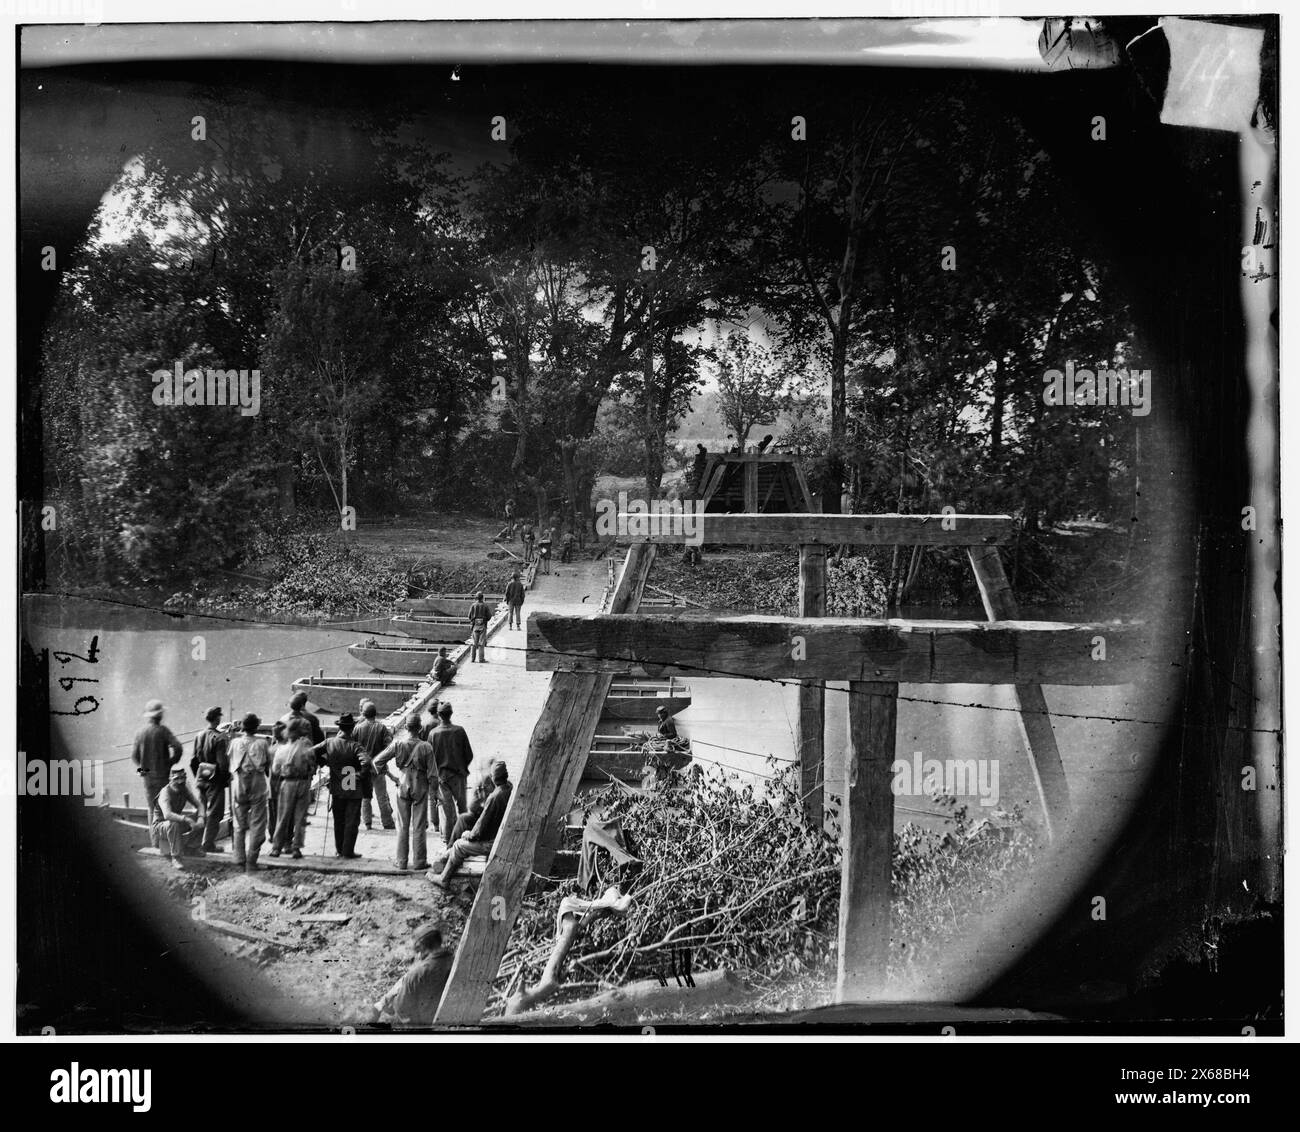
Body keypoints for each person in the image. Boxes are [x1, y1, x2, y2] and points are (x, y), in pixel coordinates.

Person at [429, 761, 511, 887]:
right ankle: (447, 856)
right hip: (501, 837)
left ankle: (444, 878)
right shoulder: (509, 789)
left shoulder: (494, 797)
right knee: (463, 820)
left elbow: (480, 829)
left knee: (458, 845)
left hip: (492, 843)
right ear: (506, 775)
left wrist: (468, 835)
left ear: (493, 778)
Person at [374, 716, 437, 871]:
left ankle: (401, 862)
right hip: (420, 786)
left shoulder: (398, 744)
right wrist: (434, 793)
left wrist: (392, 776)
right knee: (419, 825)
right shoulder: (426, 747)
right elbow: (433, 775)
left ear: (406, 728)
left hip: (402, 785)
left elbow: (377, 762)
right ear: (420, 728)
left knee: (402, 825)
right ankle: (419, 861)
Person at [372, 923, 455, 1028]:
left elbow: (402, 1009)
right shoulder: (453, 961)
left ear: (422, 947)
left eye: (418, 950)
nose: (418, 955)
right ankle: (382, 1003)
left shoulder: (418, 974)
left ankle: (381, 1005)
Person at [312, 713, 367, 859]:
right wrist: (358, 775)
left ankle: (339, 849)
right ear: (352, 728)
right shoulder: (355, 746)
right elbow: (366, 763)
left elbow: (312, 752)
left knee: (339, 819)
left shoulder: (329, 742)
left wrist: (324, 762)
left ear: (339, 727)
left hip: (336, 786)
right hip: (352, 785)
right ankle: (348, 851)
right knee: (352, 820)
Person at [131, 699, 184, 848]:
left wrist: (144, 771)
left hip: (148, 779)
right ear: (160, 716)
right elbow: (178, 747)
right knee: (166, 808)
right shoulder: (163, 731)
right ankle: (166, 843)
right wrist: (170, 762)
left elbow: (134, 757)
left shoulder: (140, 732)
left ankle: (155, 843)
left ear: (149, 716)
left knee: (151, 808)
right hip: (162, 776)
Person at [426, 701, 474, 846]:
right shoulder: (459, 731)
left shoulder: (433, 734)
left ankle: (448, 841)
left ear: (439, 715)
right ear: (451, 714)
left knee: (447, 812)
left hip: (441, 777)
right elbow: (469, 754)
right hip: (458, 776)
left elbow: (429, 759)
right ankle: (462, 837)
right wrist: (462, 767)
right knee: (463, 808)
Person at [228, 712, 272, 872]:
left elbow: (230, 761)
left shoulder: (234, 742)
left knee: (239, 824)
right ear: (256, 727)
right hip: (257, 784)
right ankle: (252, 861)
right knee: (258, 823)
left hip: (239, 784)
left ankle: (239, 858)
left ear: (242, 727)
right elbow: (268, 765)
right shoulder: (263, 743)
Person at [269, 718, 315, 859]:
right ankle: (297, 848)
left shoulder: (280, 749)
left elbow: (275, 770)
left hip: (287, 782)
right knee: (300, 818)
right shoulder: (306, 746)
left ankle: (277, 847)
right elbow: (312, 765)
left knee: (282, 816)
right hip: (303, 782)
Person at [189, 706, 230, 853]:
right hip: (215, 781)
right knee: (215, 813)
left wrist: (199, 777)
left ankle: (195, 842)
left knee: (202, 810)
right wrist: (225, 779)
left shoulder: (199, 735)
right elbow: (223, 764)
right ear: (218, 718)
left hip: (201, 779)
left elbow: (192, 761)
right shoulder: (219, 738)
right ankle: (208, 844)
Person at [153, 766, 206, 871]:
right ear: (170, 779)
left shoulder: (184, 789)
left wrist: (200, 818)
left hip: (176, 822)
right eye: (176, 779)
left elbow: (200, 805)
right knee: (173, 824)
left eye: (183, 778)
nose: (180, 781)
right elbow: (167, 815)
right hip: (160, 826)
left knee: (203, 816)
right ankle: (175, 857)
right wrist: (186, 819)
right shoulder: (165, 792)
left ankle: (192, 848)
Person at [354, 701, 395, 831]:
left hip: (363, 769)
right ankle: (387, 823)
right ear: (375, 714)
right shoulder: (381, 728)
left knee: (365, 797)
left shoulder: (358, 728)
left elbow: (353, 747)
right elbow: (389, 745)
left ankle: (367, 823)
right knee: (382, 797)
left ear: (363, 714)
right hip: (378, 769)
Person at [447, 767, 495, 844]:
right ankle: (450, 847)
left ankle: (451, 848)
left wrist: (485, 799)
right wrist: (478, 799)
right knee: (463, 818)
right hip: (484, 818)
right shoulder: (484, 785)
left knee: (464, 819)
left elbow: (489, 813)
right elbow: (472, 808)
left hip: (490, 823)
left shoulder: (497, 790)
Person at [267, 719, 288, 835]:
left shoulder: (270, 749)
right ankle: (286, 838)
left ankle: (272, 834)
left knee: (273, 812)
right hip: (286, 786)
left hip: (272, 786)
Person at [467, 591, 492, 663]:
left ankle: (472, 659)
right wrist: (484, 620)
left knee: (474, 643)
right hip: (483, 626)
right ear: (482, 598)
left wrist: (474, 620)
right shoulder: (485, 606)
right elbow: (489, 616)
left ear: (476, 598)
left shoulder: (473, 605)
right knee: (481, 643)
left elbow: (469, 616)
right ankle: (481, 659)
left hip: (475, 626)